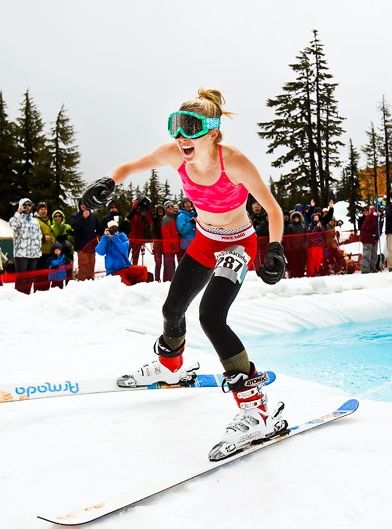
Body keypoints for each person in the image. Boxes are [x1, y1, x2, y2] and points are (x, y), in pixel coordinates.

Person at [79, 88, 287, 460]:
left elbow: (272, 209)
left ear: (213, 132)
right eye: (175, 126)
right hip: (205, 241)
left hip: (237, 244)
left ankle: (257, 409)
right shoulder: (175, 154)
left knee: (211, 316)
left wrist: (274, 248)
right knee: (172, 310)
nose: (180, 137)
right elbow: (129, 168)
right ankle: (170, 367)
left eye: (190, 128)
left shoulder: (235, 162)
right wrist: (107, 183)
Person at [95, 220, 152, 285]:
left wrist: (115, 238)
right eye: (111, 228)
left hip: (126, 267)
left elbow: (124, 249)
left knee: (143, 269)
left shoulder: (122, 236)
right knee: (125, 284)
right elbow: (100, 252)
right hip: (113, 271)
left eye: (115, 228)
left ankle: (138, 285)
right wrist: (105, 237)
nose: (113, 230)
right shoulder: (106, 239)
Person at [9, 197, 43, 294]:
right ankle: (19, 295)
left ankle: (27, 294)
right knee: (21, 278)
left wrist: (38, 249)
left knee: (30, 278)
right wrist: (18, 213)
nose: (27, 207)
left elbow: (39, 235)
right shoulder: (17, 219)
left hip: (33, 254)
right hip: (21, 254)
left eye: (29, 205)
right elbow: (12, 225)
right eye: (25, 205)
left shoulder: (35, 221)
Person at [70, 201, 100, 280]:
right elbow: (74, 226)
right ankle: (82, 283)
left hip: (92, 246)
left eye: (85, 204)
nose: (83, 206)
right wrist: (83, 218)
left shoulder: (93, 216)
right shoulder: (75, 216)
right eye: (82, 204)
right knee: (84, 267)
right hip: (82, 247)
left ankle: (91, 282)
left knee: (91, 266)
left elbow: (98, 228)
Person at [125, 195, 152, 266]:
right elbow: (127, 220)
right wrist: (136, 208)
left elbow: (149, 222)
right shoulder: (133, 215)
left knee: (135, 257)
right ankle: (125, 268)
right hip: (130, 238)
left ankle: (134, 268)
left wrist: (147, 210)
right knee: (125, 255)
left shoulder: (144, 215)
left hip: (139, 239)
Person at [283, 211, 307, 278]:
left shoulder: (303, 226)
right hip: (293, 248)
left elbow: (306, 236)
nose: (296, 219)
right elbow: (287, 238)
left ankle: (301, 274)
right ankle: (294, 275)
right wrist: (288, 246)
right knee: (293, 262)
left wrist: (305, 245)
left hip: (301, 248)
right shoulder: (290, 226)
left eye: (297, 217)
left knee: (301, 262)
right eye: (295, 217)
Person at [160, 201, 180, 281]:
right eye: (168, 207)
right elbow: (165, 234)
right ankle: (169, 280)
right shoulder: (166, 219)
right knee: (169, 265)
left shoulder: (174, 217)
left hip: (175, 244)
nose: (170, 208)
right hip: (169, 246)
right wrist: (171, 243)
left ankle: (168, 279)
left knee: (171, 264)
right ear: (166, 209)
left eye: (171, 206)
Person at [360, 205, 381, 273]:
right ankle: (365, 269)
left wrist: (377, 238)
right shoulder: (369, 217)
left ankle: (372, 267)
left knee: (374, 254)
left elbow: (378, 228)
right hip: (367, 238)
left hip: (373, 238)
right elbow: (369, 225)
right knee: (367, 254)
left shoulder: (377, 218)